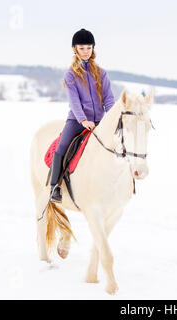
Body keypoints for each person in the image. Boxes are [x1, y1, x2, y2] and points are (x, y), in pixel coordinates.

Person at [49, 28, 116, 203]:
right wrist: (83, 120)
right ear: (75, 50)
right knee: (62, 146)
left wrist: (113, 117)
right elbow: (74, 102)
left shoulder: (101, 73)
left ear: (93, 49)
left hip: (99, 121)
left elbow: (108, 98)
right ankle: (54, 186)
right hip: (77, 120)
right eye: (82, 48)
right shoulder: (71, 75)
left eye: (88, 48)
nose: (86, 51)